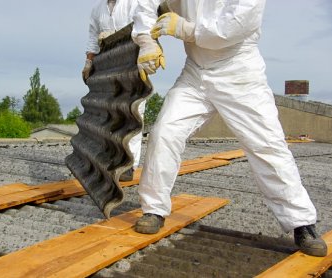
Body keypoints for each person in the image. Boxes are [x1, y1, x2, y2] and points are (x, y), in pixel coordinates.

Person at [131, 0, 327, 257]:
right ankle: (154, 209)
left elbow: (235, 25)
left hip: (238, 70)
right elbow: (146, 3)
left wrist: (186, 30)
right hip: (195, 72)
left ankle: (301, 223)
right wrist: (147, 40)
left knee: (267, 145)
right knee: (165, 131)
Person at [83, 0, 145, 181]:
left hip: (133, 61)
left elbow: (146, 27)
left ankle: (129, 165)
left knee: (133, 112)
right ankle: (110, 159)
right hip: (108, 64)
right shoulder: (98, 9)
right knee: (110, 112)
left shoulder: (135, 3)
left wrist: (119, 35)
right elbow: (93, 36)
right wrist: (89, 61)